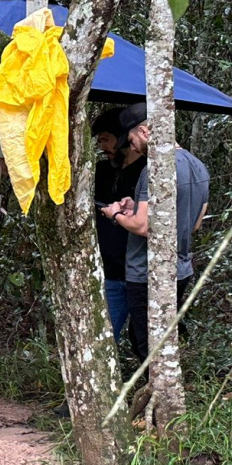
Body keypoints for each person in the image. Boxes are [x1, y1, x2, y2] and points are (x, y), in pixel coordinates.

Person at [100, 103, 210, 360]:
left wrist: (115, 214)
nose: (133, 147)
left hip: (148, 272)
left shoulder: (155, 169)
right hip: (180, 269)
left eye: (132, 139)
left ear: (144, 131)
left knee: (146, 344)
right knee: (159, 340)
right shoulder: (198, 166)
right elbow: (194, 223)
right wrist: (135, 207)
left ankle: (157, 397)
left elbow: (143, 226)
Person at [92, 108, 146, 344]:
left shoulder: (148, 171)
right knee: (104, 337)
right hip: (108, 269)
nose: (102, 146)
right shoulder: (101, 170)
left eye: (106, 139)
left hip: (138, 270)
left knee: (143, 338)